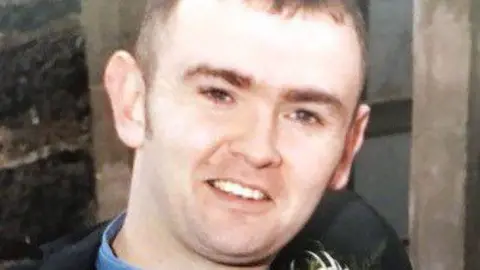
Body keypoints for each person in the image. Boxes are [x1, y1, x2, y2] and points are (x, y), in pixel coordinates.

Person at [6, 0, 411, 269]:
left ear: (347, 148)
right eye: (219, 94)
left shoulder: (362, 246)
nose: (258, 149)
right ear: (131, 101)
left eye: (304, 115)